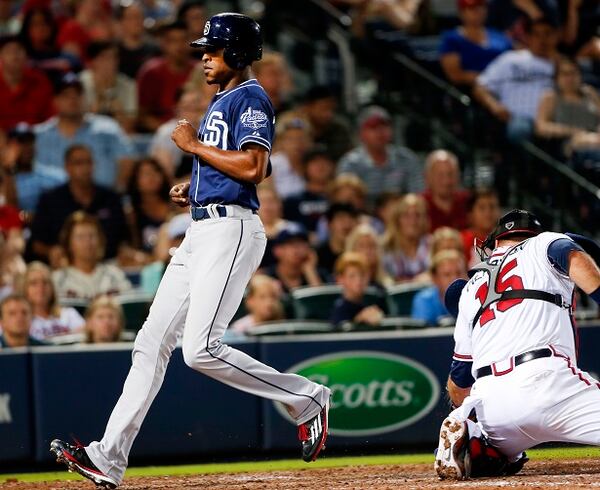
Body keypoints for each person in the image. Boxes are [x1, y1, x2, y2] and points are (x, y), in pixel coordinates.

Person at [50, 14, 331, 489]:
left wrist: (195, 147)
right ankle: (107, 457)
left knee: (200, 350)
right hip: (202, 229)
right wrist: (196, 187)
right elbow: (228, 166)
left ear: (237, 54)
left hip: (232, 232)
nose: (204, 56)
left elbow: (255, 165)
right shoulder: (223, 98)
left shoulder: (251, 95)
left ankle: (307, 397)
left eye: (214, 49)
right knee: (150, 343)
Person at [434, 209, 600, 480]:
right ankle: (480, 443)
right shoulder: (544, 242)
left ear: (496, 242)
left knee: (496, 457)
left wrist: (469, 413)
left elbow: (457, 383)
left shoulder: (470, 287)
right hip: (549, 384)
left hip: (493, 406)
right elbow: (576, 258)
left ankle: (478, 443)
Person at [28, 144, 129, 264]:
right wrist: (51, 251)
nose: (85, 168)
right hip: (65, 266)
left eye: (89, 162)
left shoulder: (111, 198)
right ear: (67, 167)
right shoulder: (50, 200)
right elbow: (36, 243)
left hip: (109, 264)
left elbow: (124, 238)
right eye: (79, 163)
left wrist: (125, 251)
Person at [34, 72, 136, 189]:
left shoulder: (107, 128)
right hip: (53, 204)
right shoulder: (39, 135)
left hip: (103, 201)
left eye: (77, 94)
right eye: (66, 95)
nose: (72, 100)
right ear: (55, 101)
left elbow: (127, 160)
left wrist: (116, 194)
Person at [473, 17, 559, 142]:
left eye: (547, 34)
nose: (542, 39)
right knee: (520, 129)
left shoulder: (562, 64)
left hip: (552, 120)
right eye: (537, 34)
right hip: (519, 118)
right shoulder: (511, 59)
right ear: (528, 37)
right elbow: (480, 86)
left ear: (555, 36)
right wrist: (495, 106)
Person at [337, 106, 424, 208]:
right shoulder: (350, 163)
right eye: (373, 127)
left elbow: (418, 196)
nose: (380, 132)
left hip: (402, 217)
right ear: (361, 133)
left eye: (384, 126)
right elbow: (345, 202)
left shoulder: (407, 159)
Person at [52, 211, 132, 300]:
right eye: (80, 237)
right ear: (69, 244)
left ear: (100, 240)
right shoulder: (58, 280)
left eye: (92, 236)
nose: (87, 242)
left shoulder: (115, 276)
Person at [136, 21, 196, 132]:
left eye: (183, 40)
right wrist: (170, 131)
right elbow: (142, 116)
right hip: (161, 133)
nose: (179, 46)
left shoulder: (200, 71)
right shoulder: (151, 72)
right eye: (174, 41)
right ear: (164, 44)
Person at [535, 57, 600, 158]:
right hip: (569, 144)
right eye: (565, 74)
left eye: (573, 73)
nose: (570, 78)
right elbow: (541, 127)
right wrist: (573, 131)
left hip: (595, 138)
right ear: (556, 78)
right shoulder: (551, 97)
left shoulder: (589, 93)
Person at [439, 0, 512, 87]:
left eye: (482, 7)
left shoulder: (499, 36)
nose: (478, 11)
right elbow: (455, 75)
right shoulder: (453, 39)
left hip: (504, 87)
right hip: (471, 91)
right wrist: (488, 79)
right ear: (461, 12)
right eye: (472, 8)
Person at [0, 123, 63, 214]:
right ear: (8, 147)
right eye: (20, 143)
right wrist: (8, 170)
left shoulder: (54, 176)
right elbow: (8, 211)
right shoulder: (4, 179)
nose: (26, 148)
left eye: (29, 142)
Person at [79, 41, 138, 133]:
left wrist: (119, 113)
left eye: (114, 58)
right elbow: (76, 124)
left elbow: (129, 128)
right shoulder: (80, 83)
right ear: (93, 61)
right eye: (104, 58)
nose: (111, 62)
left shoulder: (128, 85)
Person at [0, 35, 54, 131]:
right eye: (9, 51)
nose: (14, 55)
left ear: (26, 55)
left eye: (18, 51)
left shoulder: (40, 81)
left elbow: (50, 119)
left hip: (35, 137)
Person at [20, 261, 85, 341]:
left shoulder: (69, 315)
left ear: (52, 288)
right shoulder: (20, 320)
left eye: (45, 282)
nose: (40, 288)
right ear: (25, 289)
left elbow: (86, 336)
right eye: (34, 283)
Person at [149, 89, 207, 178]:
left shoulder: (207, 129)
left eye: (195, 103)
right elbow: (165, 178)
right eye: (187, 106)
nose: (192, 108)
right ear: (177, 108)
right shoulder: (167, 133)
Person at [282, 146, 334, 236]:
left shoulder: (339, 199)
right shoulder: (292, 201)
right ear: (305, 168)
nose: (320, 165)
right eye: (314, 162)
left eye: (325, 161)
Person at [125, 157, 173, 254]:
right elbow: (132, 247)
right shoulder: (130, 214)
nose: (151, 177)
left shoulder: (176, 206)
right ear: (135, 181)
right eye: (145, 174)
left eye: (155, 171)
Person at [383, 193, 431, 282]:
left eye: (417, 215)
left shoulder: (432, 244)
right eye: (406, 215)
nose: (413, 221)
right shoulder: (386, 247)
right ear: (397, 220)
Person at [330, 252, 386, 330]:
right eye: (352, 276)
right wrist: (359, 321)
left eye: (362, 275)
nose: (358, 280)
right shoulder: (339, 310)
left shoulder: (376, 301)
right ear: (340, 279)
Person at [411, 249, 466, 326]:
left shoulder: (474, 300)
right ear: (434, 278)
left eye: (458, 273)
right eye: (447, 274)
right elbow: (423, 335)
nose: (455, 278)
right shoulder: (424, 300)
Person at [298, 85, 353, 161]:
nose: (329, 114)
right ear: (308, 108)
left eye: (332, 109)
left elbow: (349, 157)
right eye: (323, 108)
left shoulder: (339, 129)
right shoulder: (296, 129)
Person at [265, 225, 327, 293]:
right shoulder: (267, 277)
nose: (297, 249)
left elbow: (322, 301)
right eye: (291, 244)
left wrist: (310, 271)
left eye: (301, 243)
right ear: (277, 250)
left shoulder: (320, 275)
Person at [422, 149, 469, 232]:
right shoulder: (420, 206)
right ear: (427, 178)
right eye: (440, 175)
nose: (446, 181)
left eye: (450, 174)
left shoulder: (468, 202)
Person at [269, 116, 312, 199]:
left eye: (301, 138)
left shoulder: (313, 163)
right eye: (291, 139)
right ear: (280, 142)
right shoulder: (272, 164)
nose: (297, 143)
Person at [115, 1, 160, 79]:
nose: (136, 22)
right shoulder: (114, 50)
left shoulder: (154, 50)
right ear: (122, 22)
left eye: (139, 17)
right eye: (131, 17)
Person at [345, 223, 393, 291]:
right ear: (352, 250)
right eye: (362, 246)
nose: (367, 251)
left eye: (371, 245)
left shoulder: (387, 285)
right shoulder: (345, 285)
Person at [461, 188, 501, 267]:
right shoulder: (461, 241)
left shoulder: (507, 241)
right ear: (470, 214)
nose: (488, 212)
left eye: (492, 207)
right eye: (482, 208)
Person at [316, 203, 359, 274]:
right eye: (341, 218)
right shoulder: (317, 256)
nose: (347, 224)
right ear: (329, 224)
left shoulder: (360, 254)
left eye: (351, 218)